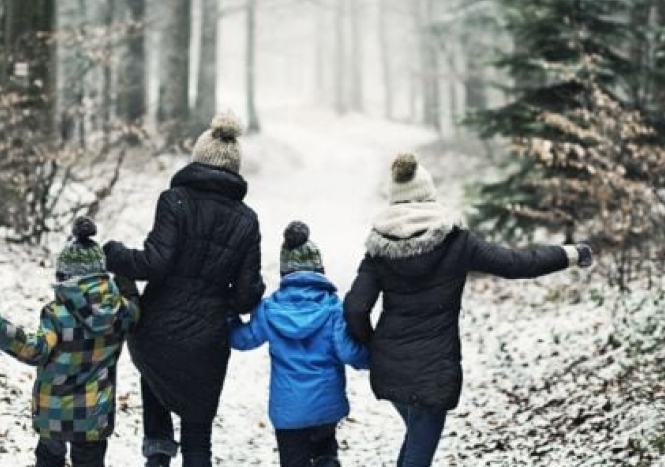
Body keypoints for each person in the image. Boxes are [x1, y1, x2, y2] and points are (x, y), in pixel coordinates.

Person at [343, 153, 594, 467]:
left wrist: (371, 344)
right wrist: (570, 254)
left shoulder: (378, 249)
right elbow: (516, 264)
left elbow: (355, 307)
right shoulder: (456, 242)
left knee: (417, 438)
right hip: (435, 367)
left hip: (390, 365)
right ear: (428, 192)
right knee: (420, 448)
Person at [103, 112, 266, 467]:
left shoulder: (174, 200)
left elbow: (153, 263)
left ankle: (158, 455)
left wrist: (114, 254)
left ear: (197, 157)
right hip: (207, 341)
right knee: (198, 440)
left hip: (157, 328)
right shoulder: (246, 219)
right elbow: (244, 296)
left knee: (157, 403)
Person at [0, 217, 140, 467]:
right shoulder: (120, 311)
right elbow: (136, 310)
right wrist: (125, 281)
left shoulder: (56, 314)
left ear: (65, 276)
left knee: (49, 459)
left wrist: (2, 330)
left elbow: (35, 351)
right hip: (93, 414)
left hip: (53, 411)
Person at [230, 222, 369, 467]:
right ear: (320, 270)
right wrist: (374, 355)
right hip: (326, 407)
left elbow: (243, 339)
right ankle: (327, 460)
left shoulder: (269, 309)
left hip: (288, 413)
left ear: (284, 273)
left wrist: (227, 318)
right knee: (325, 449)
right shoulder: (333, 309)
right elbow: (349, 352)